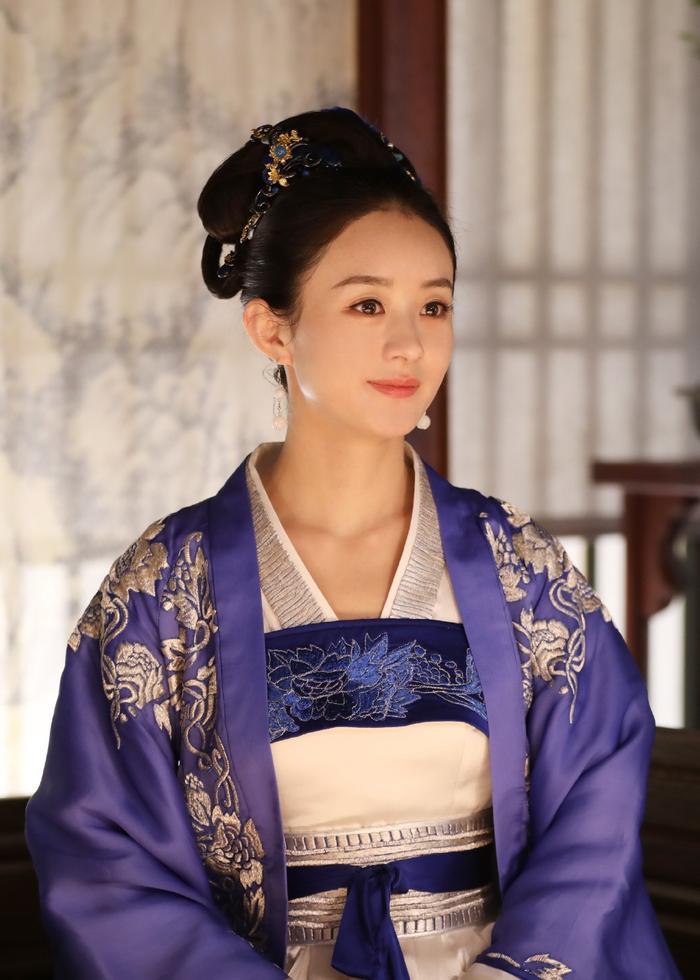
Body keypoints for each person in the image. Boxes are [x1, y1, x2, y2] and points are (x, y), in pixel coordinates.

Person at [24, 106, 680, 979]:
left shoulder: (517, 567)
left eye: (434, 305)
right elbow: (104, 857)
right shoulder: (164, 591)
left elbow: (598, 799)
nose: (410, 344)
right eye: (367, 303)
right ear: (273, 328)